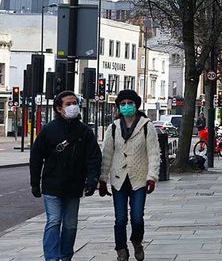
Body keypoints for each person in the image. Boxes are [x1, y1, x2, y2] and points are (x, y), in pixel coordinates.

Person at [29, 91, 102, 261]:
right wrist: (34, 182)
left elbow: (93, 157)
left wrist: (92, 179)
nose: (73, 106)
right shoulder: (49, 130)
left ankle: (66, 255)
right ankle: (52, 258)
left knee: (70, 225)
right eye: (68, 104)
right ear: (58, 108)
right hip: (52, 185)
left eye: (74, 103)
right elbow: (36, 156)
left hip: (74, 186)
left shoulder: (84, 131)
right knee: (54, 221)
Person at [99, 90, 161, 261]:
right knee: (120, 219)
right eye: (123, 103)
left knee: (137, 217)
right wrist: (102, 179)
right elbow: (107, 154)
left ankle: (137, 240)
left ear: (136, 104)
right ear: (119, 106)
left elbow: (154, 153)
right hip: (119, 179)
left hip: (139, 178)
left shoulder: (147, 126)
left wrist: (152, 176)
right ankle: (121, 249)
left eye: (130, 103)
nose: (126, 106)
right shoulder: (113, 128)